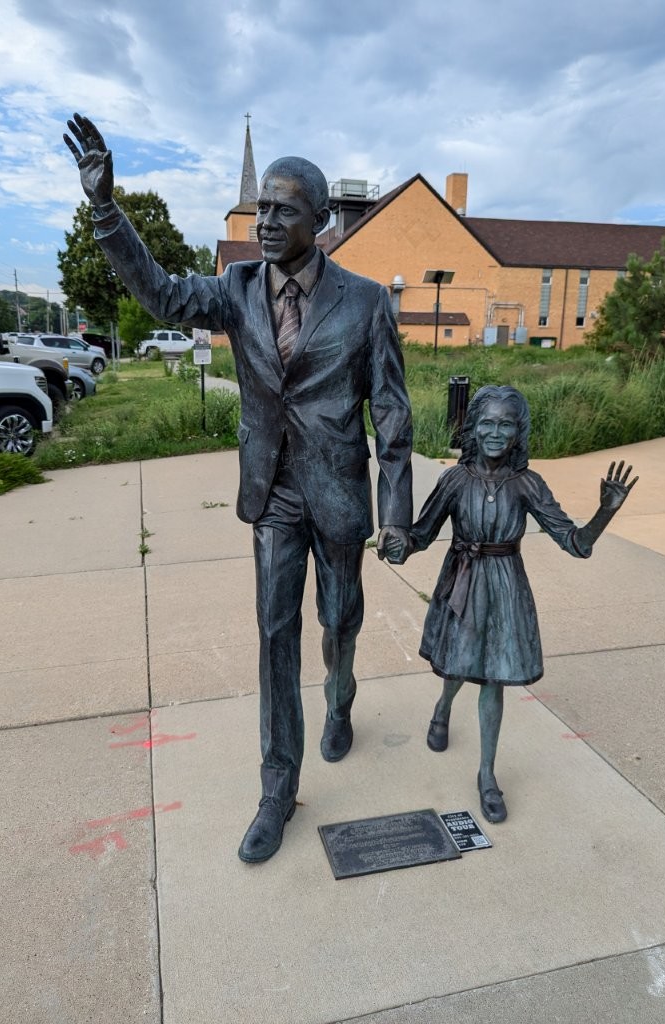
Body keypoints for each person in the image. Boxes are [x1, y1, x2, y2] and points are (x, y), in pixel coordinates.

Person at [64, 114, 413, 863]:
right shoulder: (236, 288)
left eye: (284, 210)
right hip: (272, 496)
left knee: (339, 622)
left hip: (339, 495)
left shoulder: (365, 302)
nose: (267, 223)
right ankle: (277, 790)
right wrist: (105, 209)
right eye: (262, 210)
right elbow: (162, 295)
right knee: (275, 636)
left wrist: (398, 513)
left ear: (322, 220)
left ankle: (342, 694)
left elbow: (392, 414)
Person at [384, 385, 636, 823]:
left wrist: (605, 512)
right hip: (462, 582)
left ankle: (486, 774)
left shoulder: (527, 484)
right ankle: (443, 709)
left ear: (519, 432)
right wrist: (398, 542)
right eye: (487, 423)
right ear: (472, 428)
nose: (495, 433)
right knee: (458, 663)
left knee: (493, 677)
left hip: (505, 589)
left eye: (506, 424)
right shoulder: (455, 480)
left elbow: (574, 543)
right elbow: (420, 534)